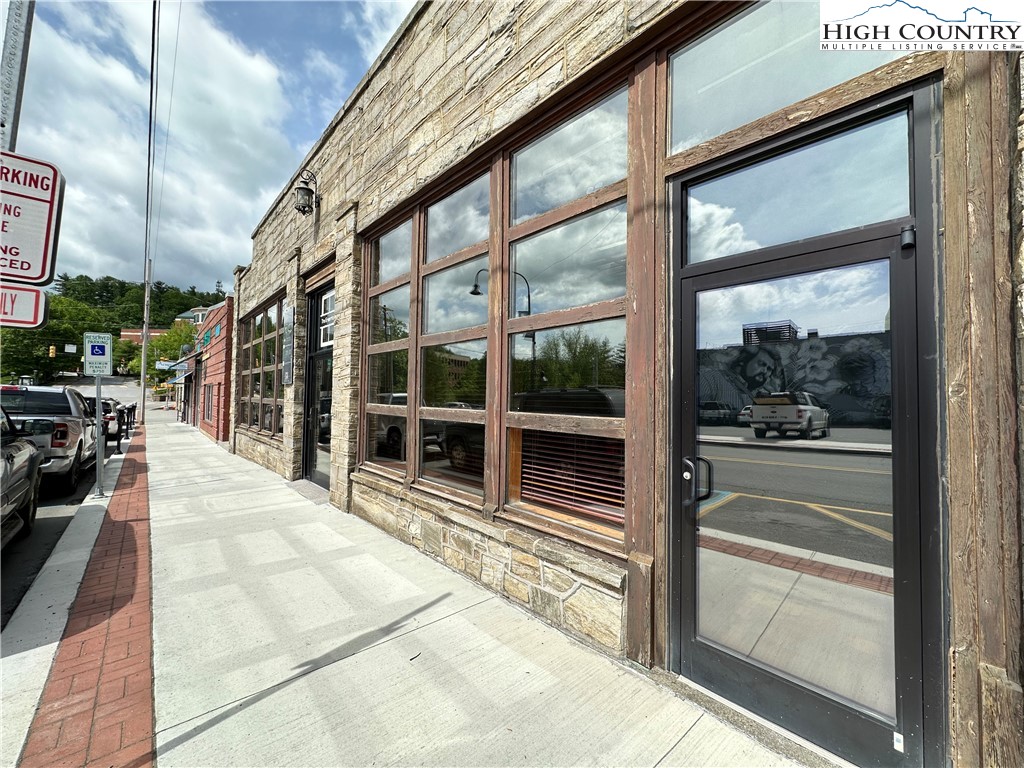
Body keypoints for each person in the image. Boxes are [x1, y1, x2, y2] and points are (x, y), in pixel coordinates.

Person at [698, 344, 784, 412]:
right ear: (744, 360)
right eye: (761, 364)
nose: (765, 371)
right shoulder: (711, 379)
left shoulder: (761, 394)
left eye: (769, 369)